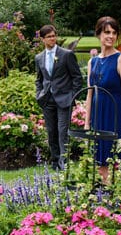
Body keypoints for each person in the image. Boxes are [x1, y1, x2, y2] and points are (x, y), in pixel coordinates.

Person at [84, 16, 121, 183]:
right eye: (107, 32)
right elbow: (89, 94)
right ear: (99, 34)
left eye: (114, 33)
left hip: (115, 113)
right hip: (98, 116)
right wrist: (87, 123)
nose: (111, 36)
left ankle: (118, 192)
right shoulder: (92, 62)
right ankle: (103, 191)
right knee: (99, 156)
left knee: (116, 156)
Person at [34, 25, 84, 170]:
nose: (52, 38)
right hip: (47, 99)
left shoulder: (66, 54)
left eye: (54, 35)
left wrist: (72, 96)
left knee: (63, 131)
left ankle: (64, 163)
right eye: (49, 36)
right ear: (43, 39)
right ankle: (55, 161)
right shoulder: (39, 58)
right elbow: (39, 79)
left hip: (64, 99)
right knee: (51, 132)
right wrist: (39, 93)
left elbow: (77, 77)